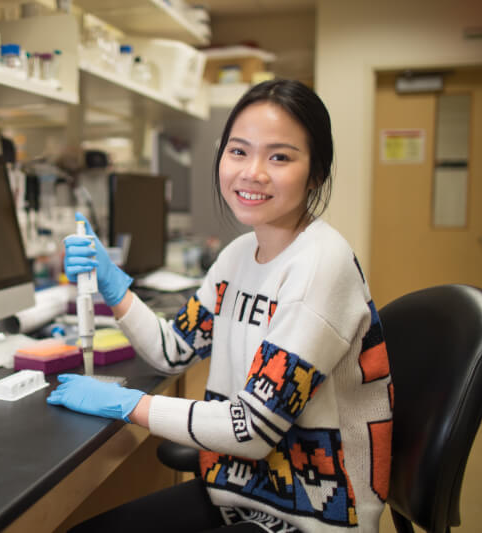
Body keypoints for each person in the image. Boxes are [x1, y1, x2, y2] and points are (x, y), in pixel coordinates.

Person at [48, 79, 393, 533]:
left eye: (280, 157)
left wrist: (129, 404)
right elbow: (175, 349)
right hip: (241, 494)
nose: (252, 172)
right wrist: (114, 286)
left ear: (316, 173)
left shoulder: (321, 266)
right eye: (238, 151)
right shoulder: (237, 256)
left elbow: (251, 430)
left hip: (313, 520)